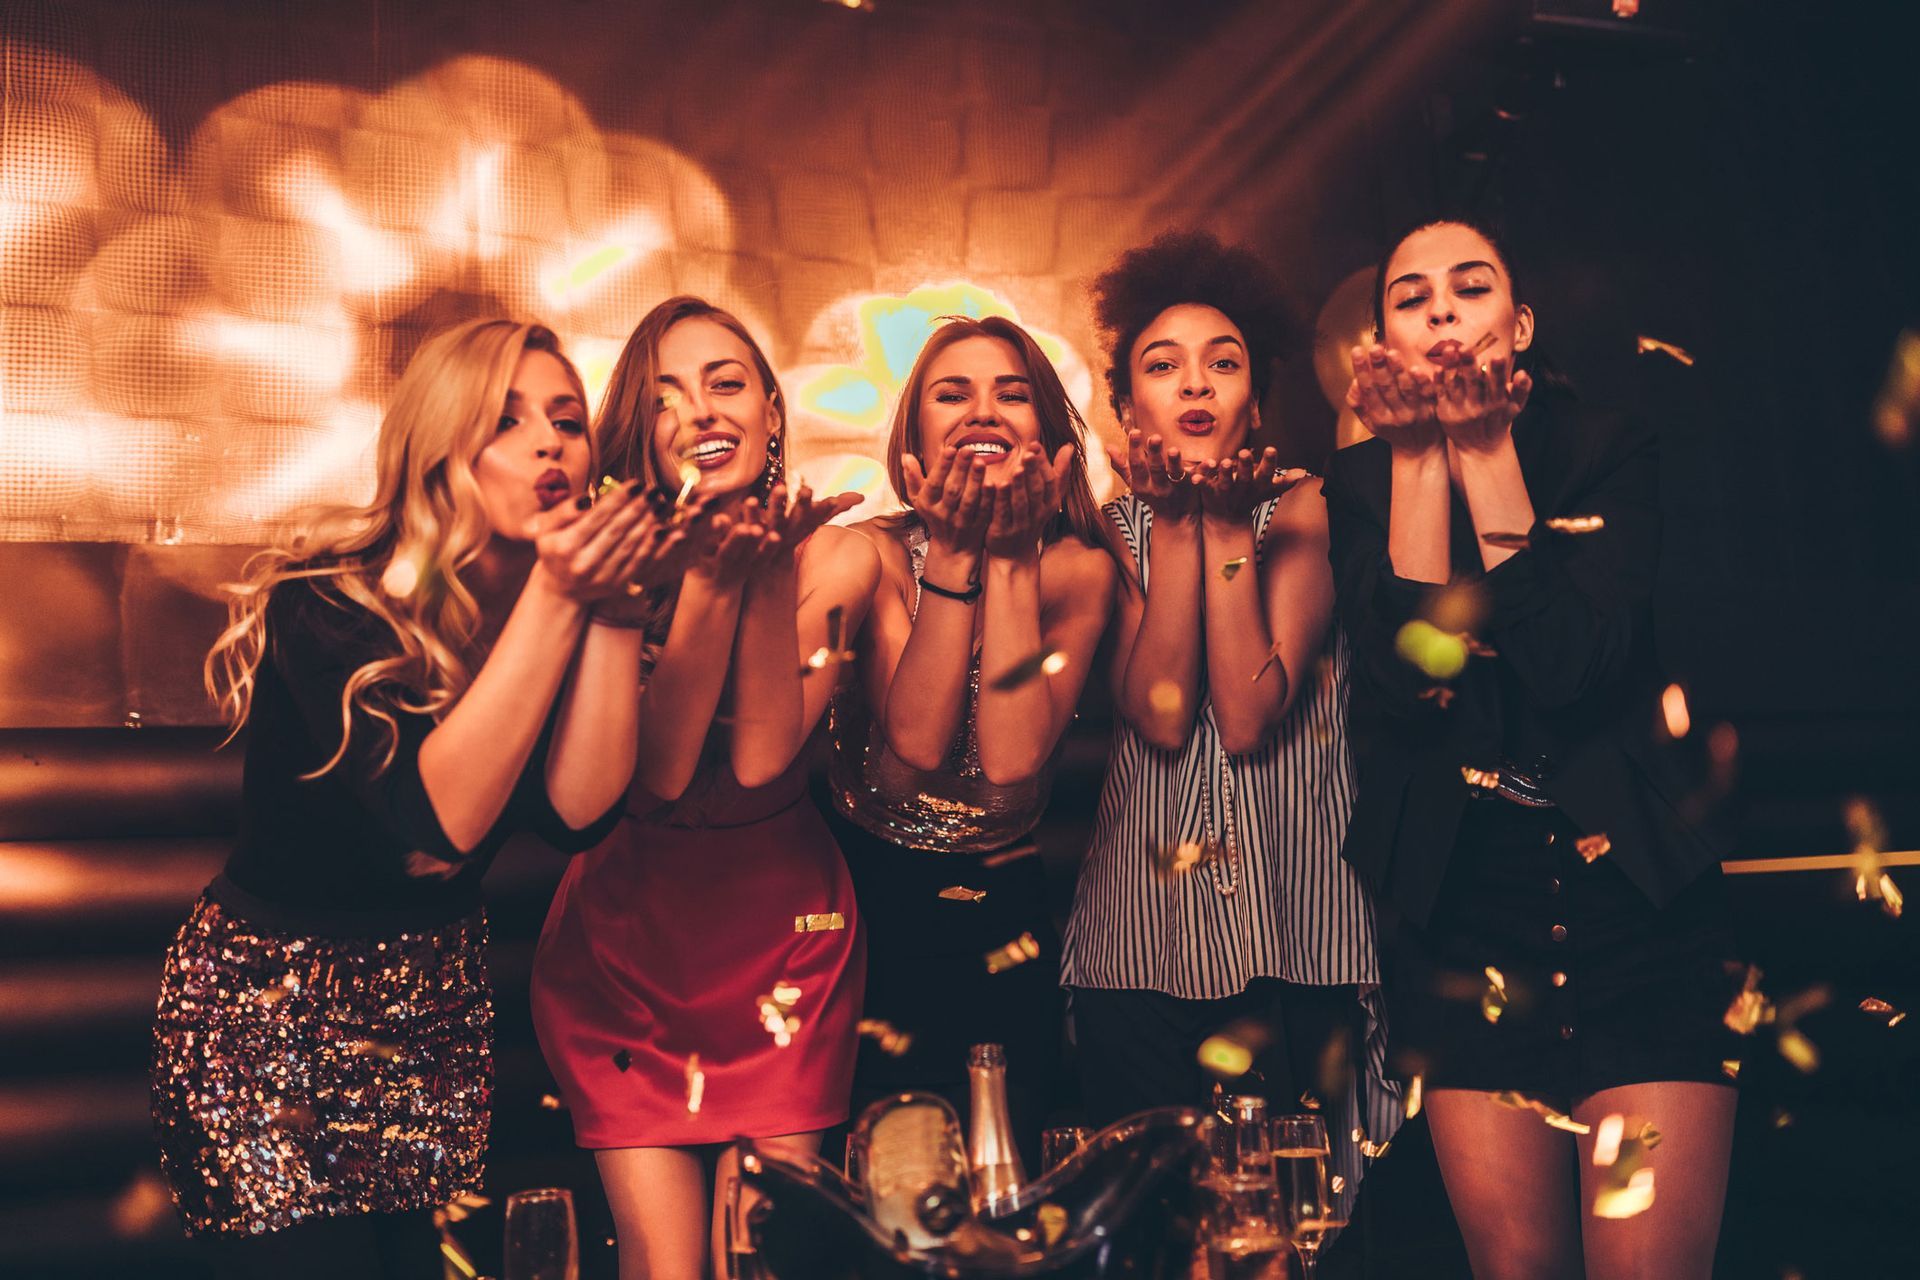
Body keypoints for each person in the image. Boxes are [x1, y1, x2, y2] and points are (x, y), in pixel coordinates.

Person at [152, 319, 682, 1278]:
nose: (550, 442)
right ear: (438, 449)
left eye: (566, 420)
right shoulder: (326, 601)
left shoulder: (544, 609)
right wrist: (564, 600)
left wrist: (615, 610)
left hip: (433, 1014)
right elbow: (437, 823)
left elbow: (579, 818)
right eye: (506, 421)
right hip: (272, 1025)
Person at [1324, 216, 1738, 1280]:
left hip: (1633, 898)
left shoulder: (1605, 444)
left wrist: (1485, 447)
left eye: (1469, 288)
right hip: (1467, 913)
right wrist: (1422, 455)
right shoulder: (1363, 484)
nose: (1443, 310)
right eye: (1412, 298)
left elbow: (1569, 667)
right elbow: (1418, 689)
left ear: (1518, 324)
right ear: (1385, 347)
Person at [528, 297, 874, 1280]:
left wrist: (759, 566)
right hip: (626, 952)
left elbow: (765, 756)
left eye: (726, 382)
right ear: (636, 430)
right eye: (667, 394)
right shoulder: (609, 567)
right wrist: (714, 571)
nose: (703, 410)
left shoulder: (838, 554)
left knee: (763, 1256)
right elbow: (662, 772)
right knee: (664, 1261)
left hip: (784, 954)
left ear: (769, 406)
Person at [1062, 232, 1392, 1196]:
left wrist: (1221, 533)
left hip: (1301, 931)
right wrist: (1176, 523)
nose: (1194, 384)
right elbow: (1163, 717)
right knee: (1163, 1235)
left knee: (1298, 1230)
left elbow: (1248, 715)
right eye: (1162, 367)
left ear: (1257, 396)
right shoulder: (1105, 533)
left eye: (1223, 362)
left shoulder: (1306, 509)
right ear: (1128, 407)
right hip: (1140, 940)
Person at [826, 314, 1119, 1168]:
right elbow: (909, 754)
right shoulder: (868, 556)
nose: (983, 410)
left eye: (1012, 393)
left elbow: (1011, 762)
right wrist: (954, 554)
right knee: (881, 1207)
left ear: (1050, 434)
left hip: (1003, 920)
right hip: (866, 914)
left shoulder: (1079, 569)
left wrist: (1016, 558)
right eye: (952, 393)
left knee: (1002, 1188)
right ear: (913, 433)